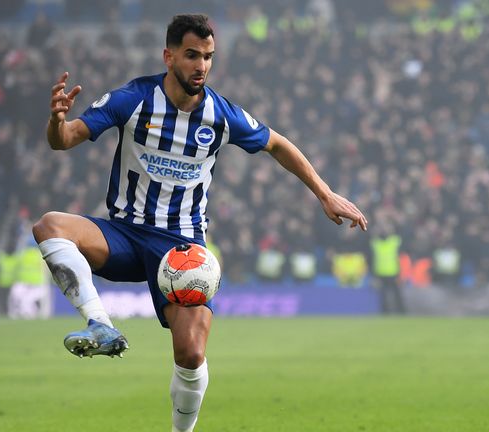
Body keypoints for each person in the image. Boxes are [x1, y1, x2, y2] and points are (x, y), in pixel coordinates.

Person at [31, 14, 367, 432]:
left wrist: (324, 192)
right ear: (169, 55)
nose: (201, 66)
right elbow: (63, 140)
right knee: (50, 226)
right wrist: (56, 121)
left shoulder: (220, 115)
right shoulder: (133, 99)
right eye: (192, 55)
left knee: (190, 355)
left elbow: (277, 144)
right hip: (124, 233)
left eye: (208, 57)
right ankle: (101, 324)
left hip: (181, 250)